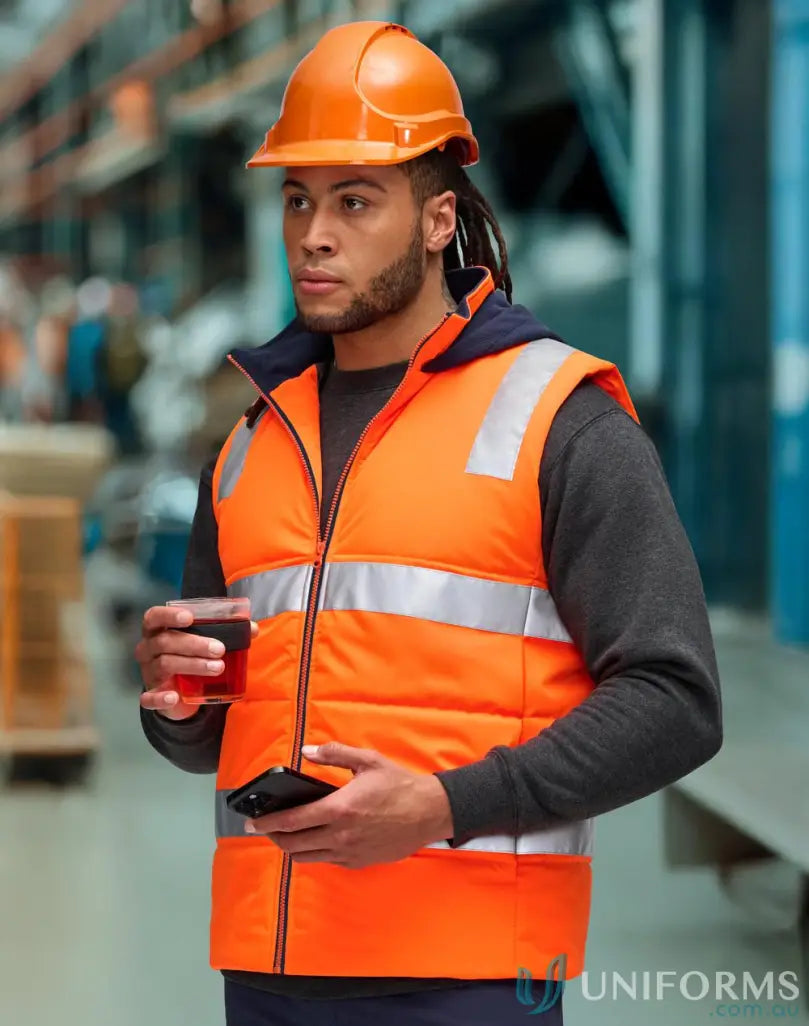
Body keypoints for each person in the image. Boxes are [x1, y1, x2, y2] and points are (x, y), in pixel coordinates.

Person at [138, 20, 722, 1026]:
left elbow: (676, 701)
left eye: (355, 200)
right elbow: (209, 735)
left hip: (466, 980)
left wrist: (448, 805)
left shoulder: (556, 420)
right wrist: (176, 703)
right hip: (268, 974)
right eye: (297, 199)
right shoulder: (249, 444)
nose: (314, 234)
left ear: (437, 219)